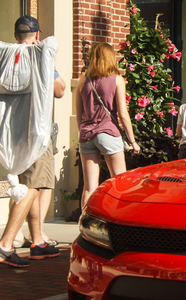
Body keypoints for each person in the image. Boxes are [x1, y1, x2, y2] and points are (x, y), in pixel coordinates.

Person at [0, 15, 65, 268]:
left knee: (28, 182)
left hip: (10, 131)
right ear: (37, 35)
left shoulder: (4, 57)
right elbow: (59, 90)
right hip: (36, 131)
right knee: (34, 185)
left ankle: (37, 242)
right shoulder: (38, 56)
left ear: (15, 36)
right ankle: (5, 245)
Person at [75, 42, 140, 209]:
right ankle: (119, 221)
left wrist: (83, 132)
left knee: (89, 186)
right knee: (120, 181)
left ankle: (86, 224)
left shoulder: (82, 82)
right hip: (108, 132)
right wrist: (132, 141)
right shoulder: (117, 80)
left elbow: (79, 115)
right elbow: (123, 114)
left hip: (86, 134)